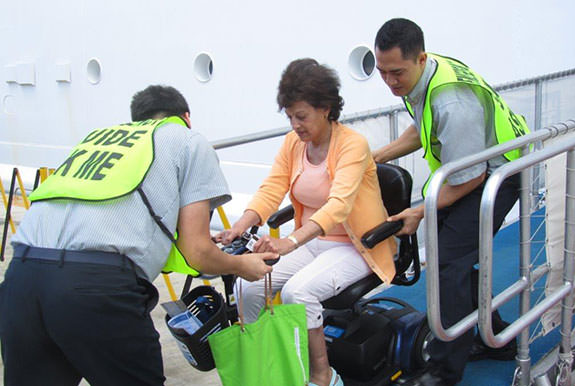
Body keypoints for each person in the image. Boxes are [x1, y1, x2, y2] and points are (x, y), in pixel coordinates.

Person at [0, 85, 276, 386]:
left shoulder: (99, 138)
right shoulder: (188, 140)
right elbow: (197, 252)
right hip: (95, 287)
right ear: (186, 117)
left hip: (21, 277)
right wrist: (241, 266)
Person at [215, 58, 397, 386]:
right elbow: (273, 187)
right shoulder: (293, 143)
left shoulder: (352, 145)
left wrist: (291, 241)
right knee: (247, 284)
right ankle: (267, 365)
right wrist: (241, 225)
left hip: (358, 246)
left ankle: (323, 376)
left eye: (301, 116)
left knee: (299, 293)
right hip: (314, 243)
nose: (295, 125)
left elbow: (339, 205)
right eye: (289, 117)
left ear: (325, 108)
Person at [371, 18, 529, 385]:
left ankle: (444, 370)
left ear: (420, 58)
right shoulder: (427, 73)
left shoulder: (452, 100)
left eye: (397, 73)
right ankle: (496, 340)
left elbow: (471, 177)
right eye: (382, 72)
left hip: (496, 175)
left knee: (450, 266)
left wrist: (419, 211)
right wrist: (378, 155)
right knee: (457, 258)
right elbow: (423, 126)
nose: (391, 82)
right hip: (475, 169)